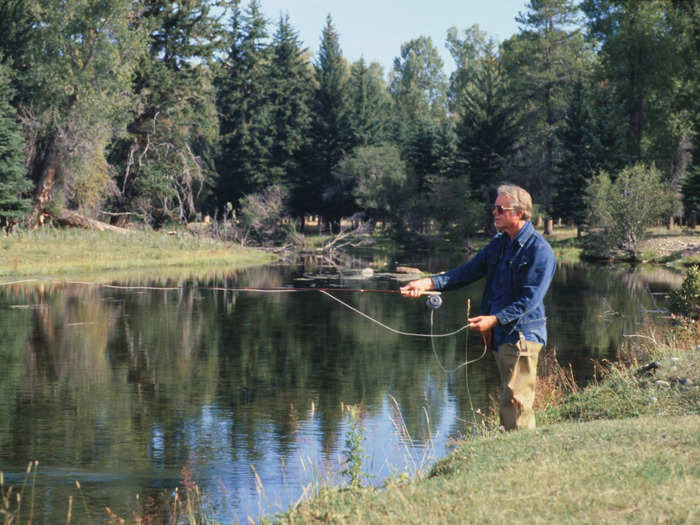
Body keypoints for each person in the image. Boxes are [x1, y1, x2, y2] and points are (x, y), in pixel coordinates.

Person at [400, 184, 556, 430]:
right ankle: (511, 453)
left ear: (518, 213)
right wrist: (427, 283)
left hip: (524, 336)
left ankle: (522, 457)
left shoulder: (540, 251)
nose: (494, 213)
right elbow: (465, 273)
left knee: (517, 399)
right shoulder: (500, 243)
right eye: (494, 208)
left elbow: (529, 300)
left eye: (499, 209)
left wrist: (493, 320)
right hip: (502, 336)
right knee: (508, 396)